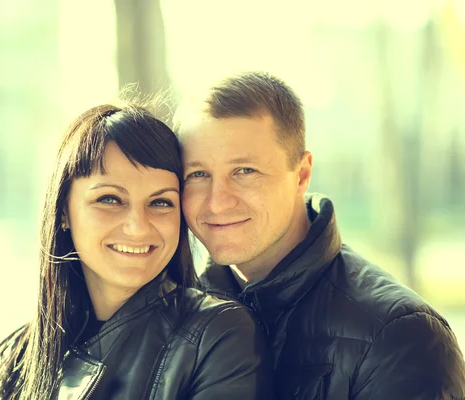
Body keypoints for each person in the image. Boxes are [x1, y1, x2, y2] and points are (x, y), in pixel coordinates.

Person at [174, 71, 465, 399]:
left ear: (301, 175)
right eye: (198, 174)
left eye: (244, 171)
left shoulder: (400, 337)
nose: (217, 201)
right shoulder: (177, 314)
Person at [0, 103, 274, 400]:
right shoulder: (28, 354)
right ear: (63, 210)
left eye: (161, 202)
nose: (138, 227)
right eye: (110, 199)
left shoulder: (218, 338)